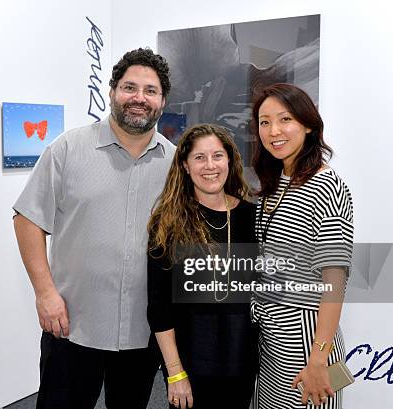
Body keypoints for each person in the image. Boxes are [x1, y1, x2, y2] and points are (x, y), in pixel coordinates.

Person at [12, 48, 176, 409]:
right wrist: (44, 293)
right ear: (113, 91)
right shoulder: (68, 148)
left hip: (141, 331)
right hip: (72, 324)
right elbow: (27, 219)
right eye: (129, 87)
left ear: (162, 100)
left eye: (150, 90)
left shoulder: (175, 163)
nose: (139, 98)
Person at [250, 83, 354, 408]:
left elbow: (334, 283)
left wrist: (319, 359)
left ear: (308, 125)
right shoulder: (274, 182)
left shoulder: (327, 186)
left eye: (285, 119)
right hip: (271, 345)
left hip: (309, 346)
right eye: (264, 122)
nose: (273, 131)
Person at [147, 123, 258, 409]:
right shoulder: (168, 223)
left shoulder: (251, 216)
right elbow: (159, 308)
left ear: (230, 160)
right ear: (184, 165)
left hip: (241, 363)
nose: (210, 166)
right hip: (191, 367)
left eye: (217, 156)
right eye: (199, 157)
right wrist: (175, 373)